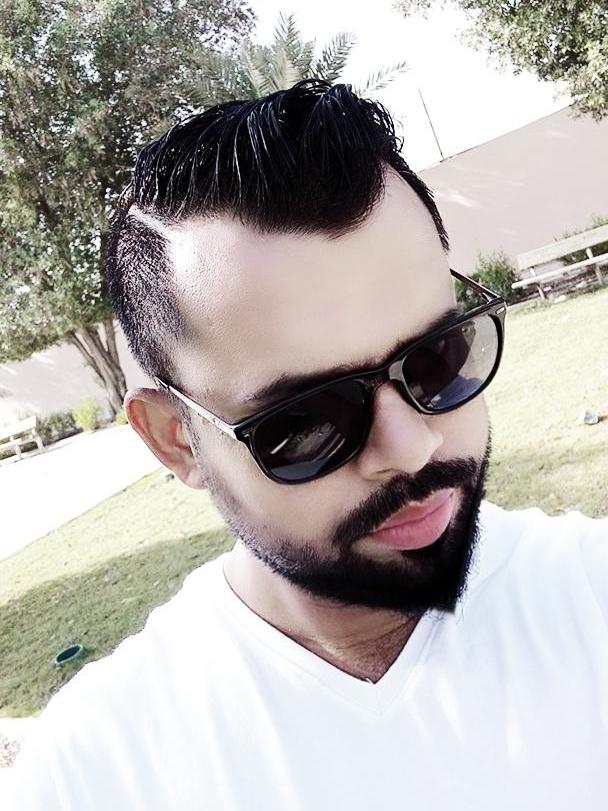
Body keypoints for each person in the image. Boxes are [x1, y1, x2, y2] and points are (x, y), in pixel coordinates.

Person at [7, 79, 607, 810]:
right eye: (308, 421)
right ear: (177, 440)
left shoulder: (591, 593)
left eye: (436, 358)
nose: (410, 446)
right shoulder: (98, 772)